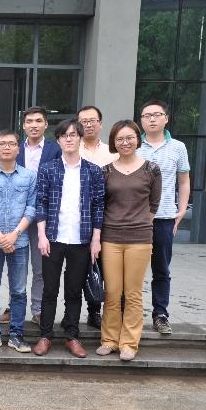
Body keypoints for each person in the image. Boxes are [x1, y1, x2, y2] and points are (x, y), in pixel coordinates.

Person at [33, 119, 104, 359]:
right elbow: (41, 203)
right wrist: (41, 235)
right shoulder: (48, 169)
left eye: (73, 135)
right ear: (59, 140)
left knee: (74, 291)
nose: (69, 139)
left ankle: (72, 336)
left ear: (80, 138)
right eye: (64, 135)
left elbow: (98, 206)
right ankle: (45, 335)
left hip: (81, 240)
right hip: (53, 238)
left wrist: (96, 239)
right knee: (49, 290)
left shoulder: (93, 171)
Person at [98, 120, 162, 361]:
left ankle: (129, 343)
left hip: (139, 239)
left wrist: (139, 223)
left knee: (133, 293)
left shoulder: (151, 169)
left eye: (129, 138)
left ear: (138, 139)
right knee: (112, 292)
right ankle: (109, 340)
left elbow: (153, 204)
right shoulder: (106, 171)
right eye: (120, 139)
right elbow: (102, 204)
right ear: (114, 142)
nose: (125, 142)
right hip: (111, 238)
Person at [0, 130, 36, 354]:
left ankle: (16, 335)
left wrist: (14, 234)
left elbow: (31, 208)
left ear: (18, 148)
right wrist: (0, 237)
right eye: (2, 143)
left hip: (19, 242)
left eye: (11, 143)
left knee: (19, 291)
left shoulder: (29, 177)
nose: (6, 147)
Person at [137, 99, 190, 335]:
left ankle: (160, 314)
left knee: (161, 269)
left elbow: (184, 180)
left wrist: (182, 210)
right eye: (147, 115)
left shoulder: (178, 147)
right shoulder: (134, 145)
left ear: (166, 119)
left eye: (156, 115)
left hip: (165, 217)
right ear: (141, 121)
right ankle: (130, 314)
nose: (152, 119)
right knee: (133, 270)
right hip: (136, 219)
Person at [17, 106, 61, 326]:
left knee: (40, 267)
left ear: (46, 124)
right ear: (23, 125)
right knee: (16, 265)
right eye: (29, 121)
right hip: (17, 215)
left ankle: (37, 309)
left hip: (43, 217)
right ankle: (14, 306)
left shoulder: (55, 150)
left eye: (38, 121)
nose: (33, 125)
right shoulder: (15, 148)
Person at [77, 105, 118, 329]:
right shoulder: (72, 148)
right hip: (80, 218)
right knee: (86, 265)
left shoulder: (113, 152)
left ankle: (110, 311)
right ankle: (92, 310)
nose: (88, 125)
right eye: (83, 121)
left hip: (110, 216)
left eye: (92, 120)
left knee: (106, 265)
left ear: (100, 124)